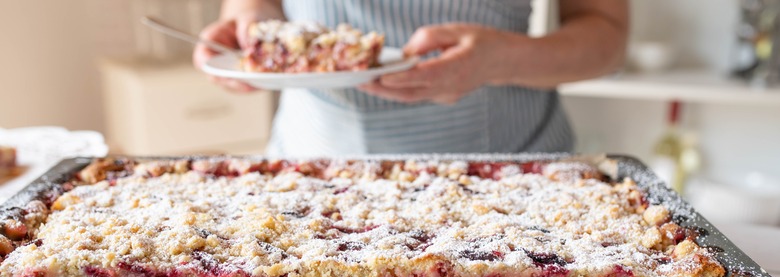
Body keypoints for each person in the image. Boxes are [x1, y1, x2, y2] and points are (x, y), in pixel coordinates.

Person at [194, 0, 628, 157]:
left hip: (503, 168)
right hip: (313, 159)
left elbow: (606, 35)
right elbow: (253, 5)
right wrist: (249, 27)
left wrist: (500, 59)